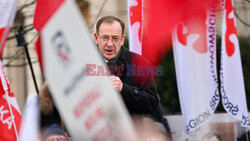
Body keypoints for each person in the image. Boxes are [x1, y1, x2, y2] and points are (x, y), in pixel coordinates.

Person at [94, 15, 172, 139]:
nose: (109, 43)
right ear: (96, 38)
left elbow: (152, 103)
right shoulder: (85, 64)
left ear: (122, 40)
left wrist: (123, 89)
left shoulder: (139, 63)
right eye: (104, 38)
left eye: (115, 38)